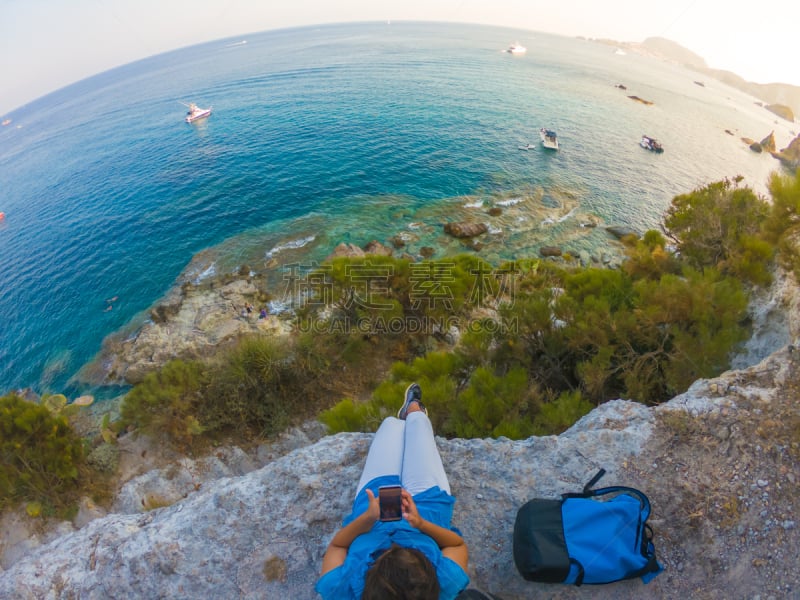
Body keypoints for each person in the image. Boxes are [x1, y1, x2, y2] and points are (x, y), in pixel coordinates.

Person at [316, 383, 469, 599]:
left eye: (385, 554)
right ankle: (414, 409)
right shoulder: (443, 582)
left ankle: (406, 415)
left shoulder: (340, 589)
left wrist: (368, 518)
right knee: (417, 424)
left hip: (373, 507)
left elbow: (337, 545)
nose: (395, 545)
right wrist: (421, 524)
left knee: (391, 425)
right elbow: (457, 544)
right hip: (427, 504)